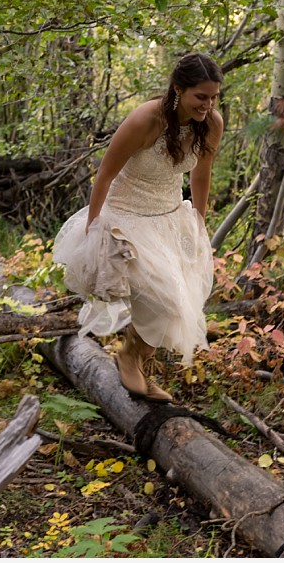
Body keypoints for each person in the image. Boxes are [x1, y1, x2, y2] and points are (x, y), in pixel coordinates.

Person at [53, 52, 224, 403]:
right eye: (200, 97)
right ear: (179, 88)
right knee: (161, 296)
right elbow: (105, 173)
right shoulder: (147, 119)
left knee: (179, 303)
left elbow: (201, 174)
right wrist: (93, 227)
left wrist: (199, 224)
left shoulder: (211, 124)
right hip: (126, 214)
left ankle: (133, 356)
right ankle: (131, 358)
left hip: (170, 214)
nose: (207, 105)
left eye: (214, 97)